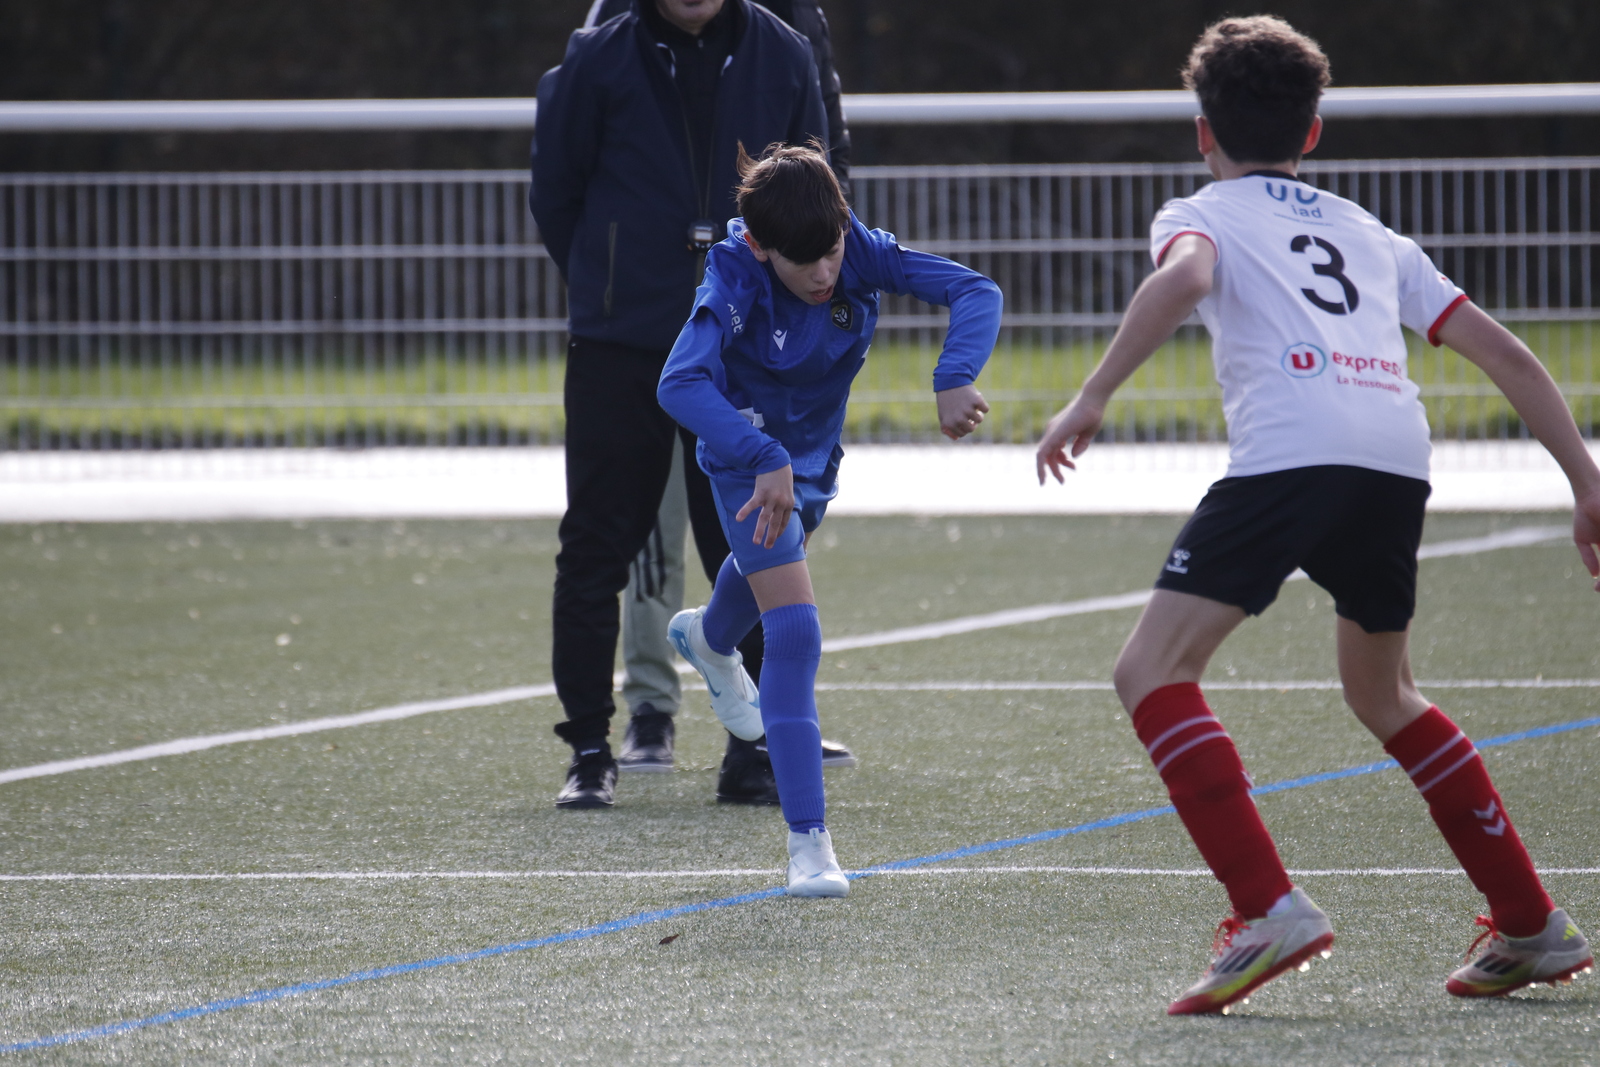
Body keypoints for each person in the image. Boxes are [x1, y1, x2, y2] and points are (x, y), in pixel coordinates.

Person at [1036, 16, 1598, 1015]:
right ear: (1313, 131)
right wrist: (1587, 484)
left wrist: (1092, 394)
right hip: (1395, 460)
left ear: (1201, 131)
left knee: (1150, 670)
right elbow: (1508, 354)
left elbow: (1187, 276)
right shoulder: (1371, 233)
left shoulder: (1198, 210)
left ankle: (1267, 908)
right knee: (1387, 695)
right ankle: (1529, 921)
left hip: (1294, 454)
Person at [658, 142, 1001, 895]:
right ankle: (809, 846)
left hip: (812, 464)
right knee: (795, 631)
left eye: (833, 251)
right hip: (748, 463)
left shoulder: (856, 251)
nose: (824, 273)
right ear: (761, 246)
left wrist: (954, 375)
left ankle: (708, 639)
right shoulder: (734, 272)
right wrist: (760, 453)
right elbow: (679, 383)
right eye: (804, 261)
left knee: (758, 585)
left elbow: (976, 290)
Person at [530, 0, 828, 808]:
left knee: (756, 545)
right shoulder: (596, 58)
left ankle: (754, 746)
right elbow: (555, 194)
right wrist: (610, 281)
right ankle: (590, 748)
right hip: (619, 343)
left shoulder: (784, 52)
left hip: (740, 352)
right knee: (594, 545)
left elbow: (816, 192)